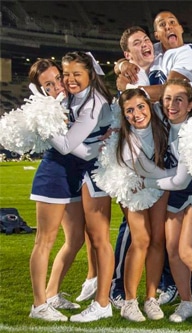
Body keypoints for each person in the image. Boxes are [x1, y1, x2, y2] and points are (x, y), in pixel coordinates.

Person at [110, 19, 192, 310]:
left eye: (145, 40)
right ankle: (121, 290)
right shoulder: (144, 66)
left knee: (171, 234)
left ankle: (174, 288)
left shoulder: (172, 60)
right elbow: (131, 72)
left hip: (162, 156)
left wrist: (131, 86)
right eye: (138, 43)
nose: (144, 45)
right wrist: (121, 70)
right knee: (134, 234)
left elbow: (173, 88)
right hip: (132, 159)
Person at [141, 79, 192, 326]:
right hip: (176, 194)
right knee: (173, 251)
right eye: (167, 98)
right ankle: (186, 302)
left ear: (190, 105)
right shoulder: (163, 122)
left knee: (188, 251)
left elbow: (182, 181)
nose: (171, 104)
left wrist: (146, 182)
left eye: (178, 100)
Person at [27, 58, 98, 321]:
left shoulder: (70, 101)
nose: (58, 85)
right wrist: (101, 145)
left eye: (58, 78)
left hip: (73, 177)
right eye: (49, 84)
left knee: (76, 239)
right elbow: (70, 148)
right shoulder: (42, 111)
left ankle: (52, 293)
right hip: (53, 178)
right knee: (44, 241)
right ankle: (38, 305)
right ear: (39, 90)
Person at [53, 51, 115, 323]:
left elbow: (69, 146)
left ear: (90, 74)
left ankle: (103, 303)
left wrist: (44, 125)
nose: (70, 79)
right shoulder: (70, 97)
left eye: (77, 74)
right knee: (85, 236)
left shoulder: (95, 103)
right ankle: (89, 285)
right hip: (80, 171)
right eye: (66, 74)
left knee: (100, 238)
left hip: (96, 172)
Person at [111, 88, 173, 322]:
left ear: (149, 106)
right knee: (141, 240)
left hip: (159, 183)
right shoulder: (127, 142)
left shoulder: (162, 124)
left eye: (140, 107)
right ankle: (129, 301)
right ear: (123, 115)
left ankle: (151, 298)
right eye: (129, 110)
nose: (136, 114)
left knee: (158, 238)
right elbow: (151, 172)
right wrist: (179, 176)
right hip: (134, 186)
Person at [116, 10, 192, 102]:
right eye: (162, 24)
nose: (168, 27)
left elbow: (171, 91)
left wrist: (128, 88)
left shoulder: (189, 55)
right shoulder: (154, 49)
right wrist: (122, 65)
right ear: (156, 35)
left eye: (172, 22)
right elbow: (129, 59)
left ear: (181, 29)